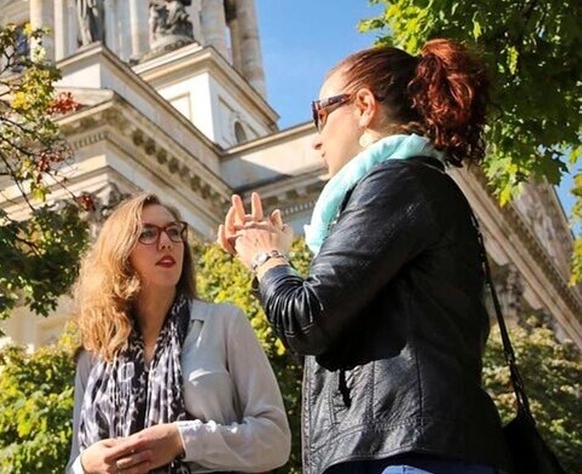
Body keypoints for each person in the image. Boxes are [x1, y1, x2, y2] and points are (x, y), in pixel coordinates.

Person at [217, 39, 512, 474]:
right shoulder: (405, 186)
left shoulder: (396, 183)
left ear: (363, 105)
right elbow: (329, 348)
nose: (317, 140)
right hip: (401, 447)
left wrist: (268, 262)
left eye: (321, 114)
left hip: (406, 454)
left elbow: (307, 320)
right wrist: (275, 261)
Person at [67, 193, 291, 474]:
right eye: (147, 233)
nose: (166, 242)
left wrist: (183, 439)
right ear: (120, 253)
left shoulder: (223, 322)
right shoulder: (95, 354)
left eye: (174, 231)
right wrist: (85, 466)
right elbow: (74, 461)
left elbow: (275, 440)